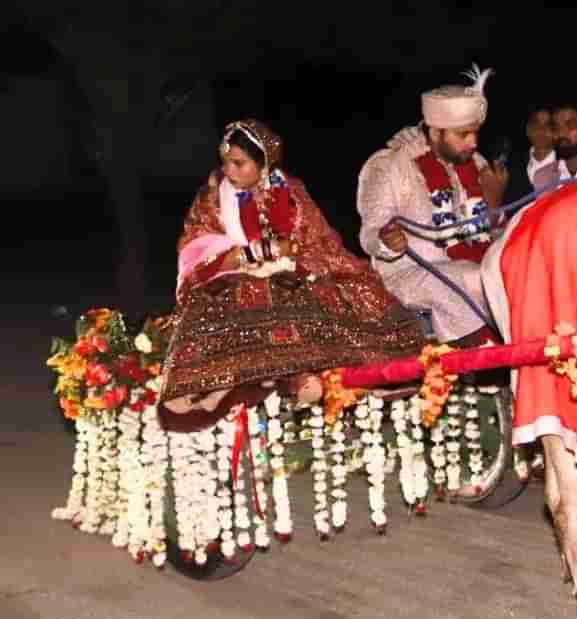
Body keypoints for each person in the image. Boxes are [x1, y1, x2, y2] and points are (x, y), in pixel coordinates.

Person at [158, 118, 426, 432]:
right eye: (226, 163)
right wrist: (245, 255)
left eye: (238, 164)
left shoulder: (292, 192)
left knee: (314, 295)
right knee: (223, 301)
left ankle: (301, 377)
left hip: (291, 273)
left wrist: (293, 253)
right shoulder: (215, 195)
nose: (229, 171)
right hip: (230, 274)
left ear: (263, 165)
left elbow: (318, 240)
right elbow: (196, 241)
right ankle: (217, 385)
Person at [356, 64, 509, 344]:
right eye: (463, 134)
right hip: (407, 275)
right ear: (436, 132)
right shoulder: (389, 165)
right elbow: (369, 235)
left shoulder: (477, 164)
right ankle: (487, 356)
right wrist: (387, 241)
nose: (474, 142)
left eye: (475, 132)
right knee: (474, 277)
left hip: (470, 266)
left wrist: (495, 203)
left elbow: (493, 235)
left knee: (506, 269)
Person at [503, 105, 556, 206]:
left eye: (548, 125)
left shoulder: (566, 167)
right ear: (527, 129)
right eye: (536, 124)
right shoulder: (511, 166)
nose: (541, 130)